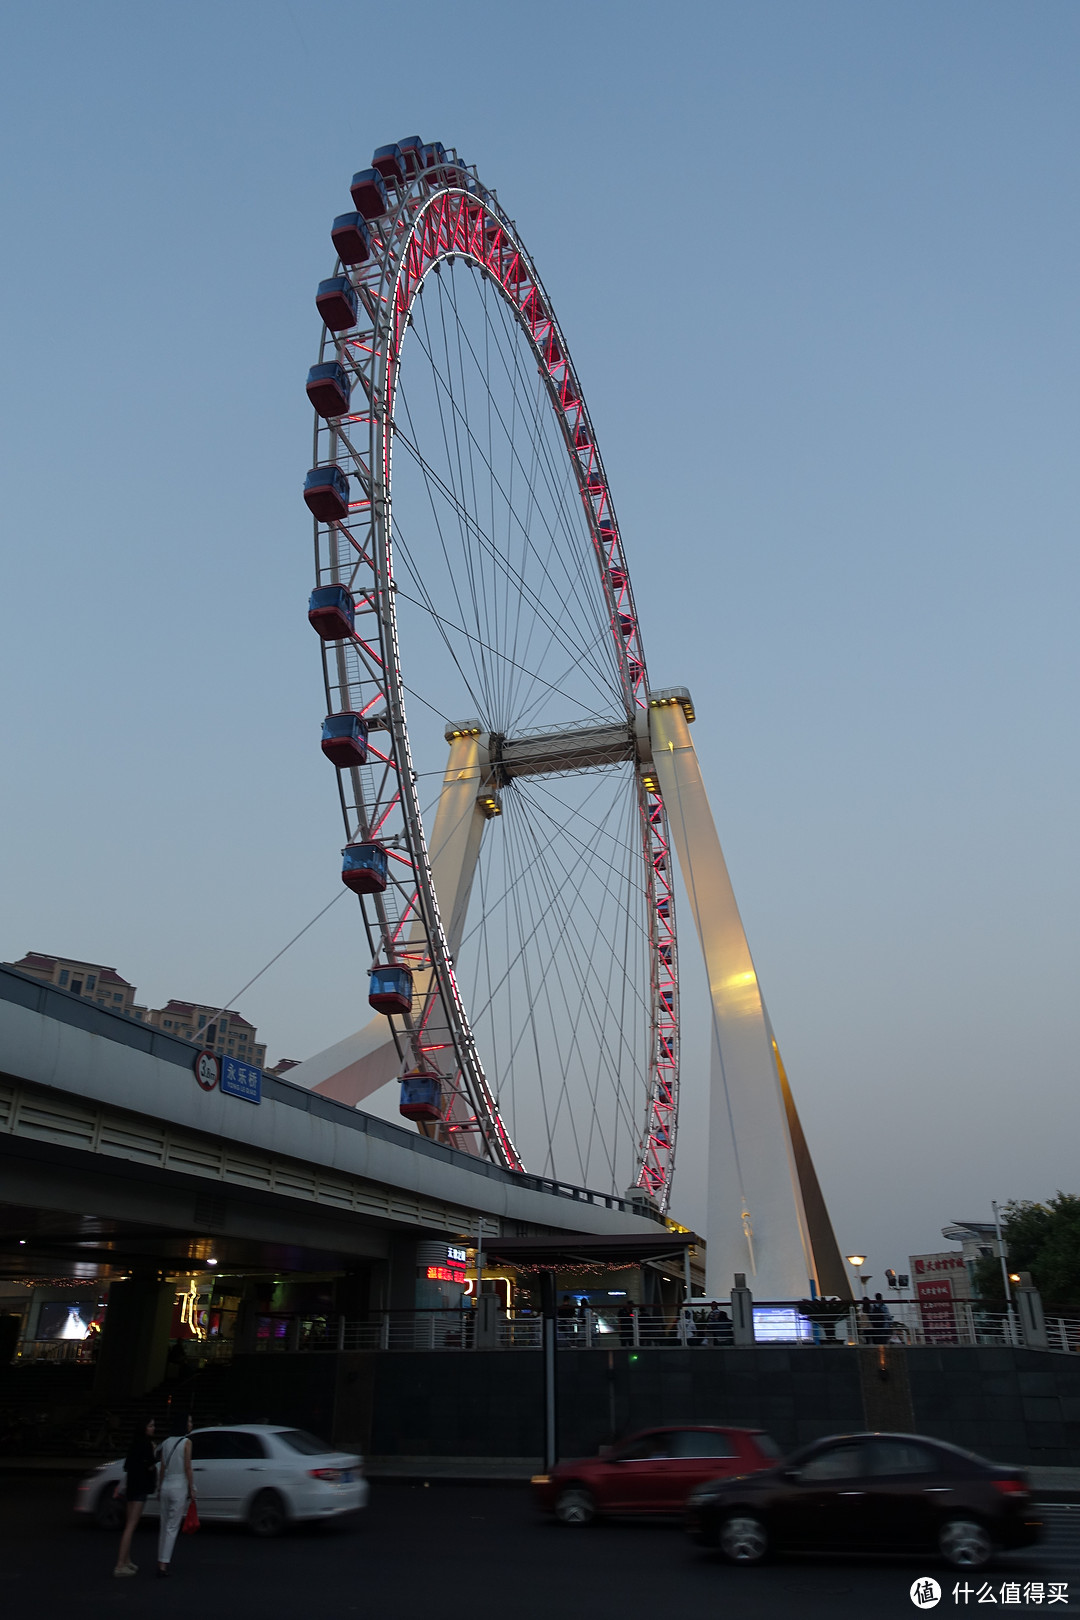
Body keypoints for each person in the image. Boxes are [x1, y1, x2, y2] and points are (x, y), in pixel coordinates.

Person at [114, 1415, 157, 1577]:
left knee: (129, 1525)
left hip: (132, 1487)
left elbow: (127, 1466)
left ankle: (126, 1560)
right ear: (144, 1427)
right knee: (131, 1525)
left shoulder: (134, 1444)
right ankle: (120, 1564)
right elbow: (151, 1465)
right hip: (140, 1488)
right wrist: (153, 1452)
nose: (153, 1428)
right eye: (151, 1425)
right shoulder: (146, 1445)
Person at [156, 1413, 196, 1578]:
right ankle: (164, 1564)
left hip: (165, 1485)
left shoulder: (166, 1443)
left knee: (164, 1526)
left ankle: (160, 1560)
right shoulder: (187, 1442)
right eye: (189, 1421)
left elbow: (163, 1467)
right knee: (172, 1527)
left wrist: (159, 1487)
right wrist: (191, 1487)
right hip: (179, 1486)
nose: (191, 1424)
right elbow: (188, 1467)